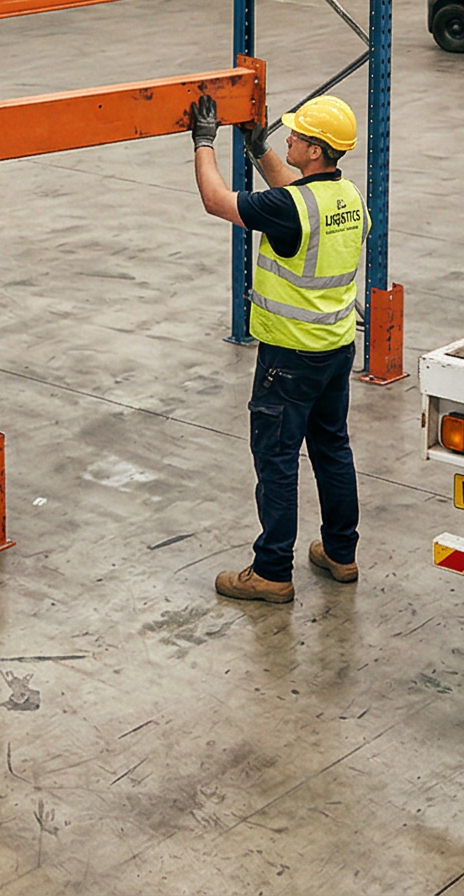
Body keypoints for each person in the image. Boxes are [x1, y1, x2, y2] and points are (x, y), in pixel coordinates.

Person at [185, 93, 365, 603]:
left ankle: (271, 571)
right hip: (336, 349)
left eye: (296, 136)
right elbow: (296, 195)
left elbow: (216, 200)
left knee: (277, 458)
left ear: (315, 150)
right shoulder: (347, 196)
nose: (289, 139)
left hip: (288, 358)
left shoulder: (289, 209)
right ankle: (341, 553)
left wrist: (204, 142)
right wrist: (259, 149)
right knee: (332, 448)